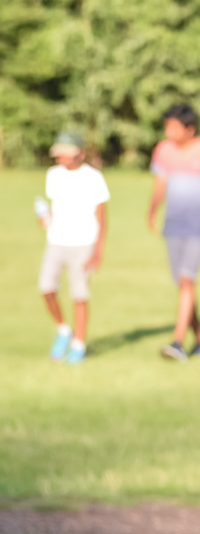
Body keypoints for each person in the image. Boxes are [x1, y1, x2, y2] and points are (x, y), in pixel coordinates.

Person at [147, 103, 200, 360]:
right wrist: (152, 211)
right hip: (173, 226)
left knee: (186, 281)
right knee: (184, 286)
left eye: (175, 127)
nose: (169, 132)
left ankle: (178, 343)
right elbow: (160, 185)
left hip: (197, 228)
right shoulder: (164, 150)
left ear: (190, 129)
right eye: (167, 127)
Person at [37, 131, 109, 366]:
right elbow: (55, 207)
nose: (61, 158)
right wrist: (44, 218)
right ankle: (63, 329)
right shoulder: (53, 175)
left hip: (83, 242)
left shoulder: (93, 178)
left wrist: (98, 251)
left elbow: (102, 217)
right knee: (46, 288)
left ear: (80, 154)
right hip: (56, 240)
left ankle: (79, 344)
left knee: (79, 294)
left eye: (66, 154)